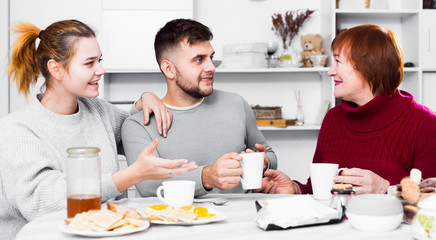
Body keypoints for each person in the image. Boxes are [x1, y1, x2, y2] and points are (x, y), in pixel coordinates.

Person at [0, 19, 198, 239]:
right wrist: (130, 176)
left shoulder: (99, 111)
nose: (101, 70)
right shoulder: (17, 129)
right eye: (89, 63)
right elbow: (42, 202)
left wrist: (145, 98)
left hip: (104, 232)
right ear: (55, 69)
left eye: (100, 60)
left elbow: (136, 131)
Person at [257, 24, 436, 195]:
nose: (330, 72)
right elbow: (319, 189)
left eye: (337, 61)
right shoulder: (333, 118)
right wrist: (296, 189)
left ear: (369, 66)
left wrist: (386, 188)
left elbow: (430, 199)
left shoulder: (425, 123)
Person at [121, 18, 278, 197]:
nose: (211, 67)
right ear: (169, 69)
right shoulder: (138, 125)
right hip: (175, 221)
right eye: (199, 60)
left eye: (211, 57)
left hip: (242, 219)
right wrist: (207, 177)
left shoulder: (236, 104)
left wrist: (265, 163)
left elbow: (270, 155)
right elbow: (147, 184)